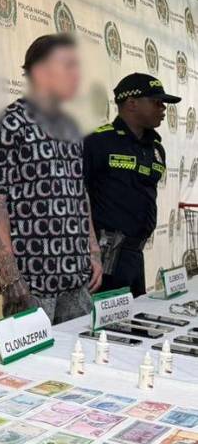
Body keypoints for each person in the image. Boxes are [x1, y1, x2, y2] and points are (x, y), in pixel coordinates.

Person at [0, 34, 102, 323]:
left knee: (79, 361)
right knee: (32, 368)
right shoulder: (9, 123)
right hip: (33, 283)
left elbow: (79, 192)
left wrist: (94, 250)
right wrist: (10, 276)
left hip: (77, 278)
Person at [84, 73, 178, 296]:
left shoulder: (155, 148)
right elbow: (79, 196)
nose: (163, 108)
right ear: (132, 103)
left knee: (135, 322)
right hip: (107, 252)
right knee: (107, 324)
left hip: (136, 252)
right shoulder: (98, 142)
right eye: (157, 102)